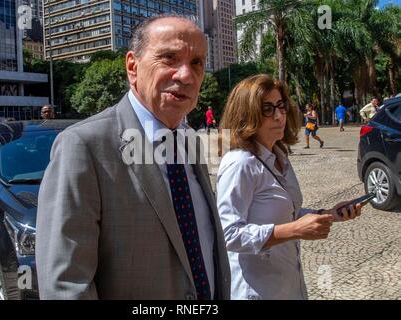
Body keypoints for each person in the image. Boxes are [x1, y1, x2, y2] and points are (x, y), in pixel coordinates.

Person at [36, 15, 230, 300]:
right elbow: (66, 285)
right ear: (132, 66)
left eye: (197, 63)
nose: (186, 75)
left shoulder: (188, 142)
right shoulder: (84, 146)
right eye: (169, 58)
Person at [216, 74, 364, 300]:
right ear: (246, 116)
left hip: (288, 284)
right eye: (267, 109)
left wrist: (328, 215)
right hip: (257, 291)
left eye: (280, 105)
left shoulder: (279, 154)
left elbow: (289, 213)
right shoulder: (239, 163)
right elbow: (228, 235)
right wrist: (294, 231)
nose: (278, 115)